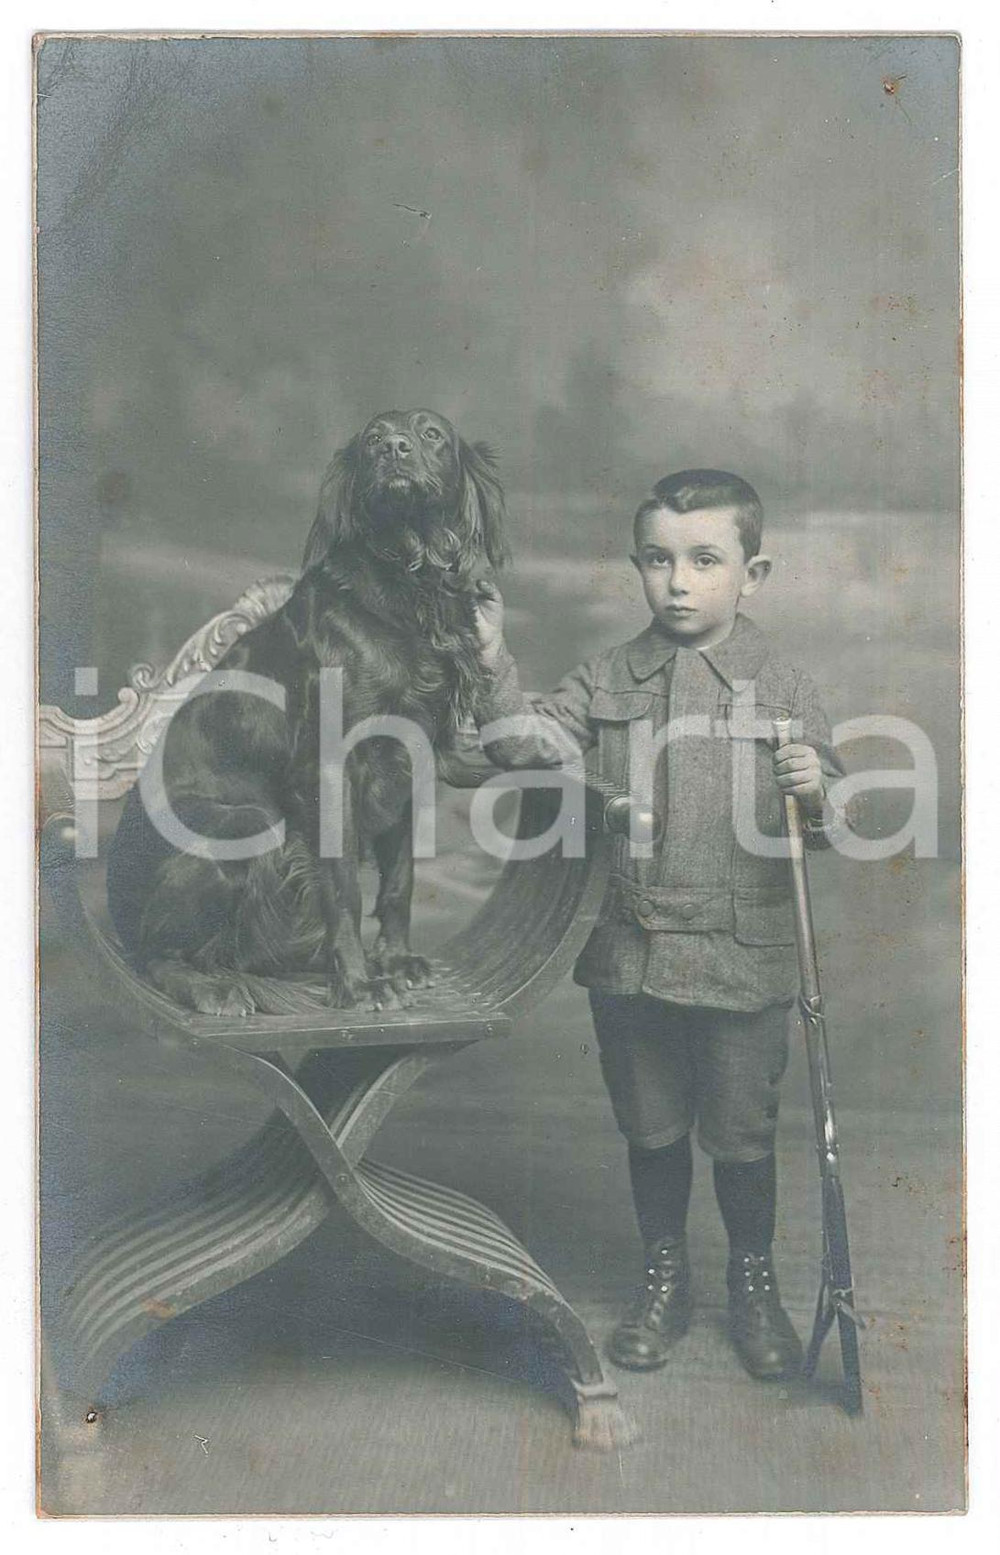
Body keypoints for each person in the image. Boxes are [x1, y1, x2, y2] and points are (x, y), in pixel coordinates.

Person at [466, 469, 847, 1380]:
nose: (678, 581)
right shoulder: (608, 676)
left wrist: (816, 786)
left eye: (704, 560)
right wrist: (490, 661)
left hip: (743, 957)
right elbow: (523, 744)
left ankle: (754, 1286)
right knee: (651, 1130)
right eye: (658, 559)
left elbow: (828, 819)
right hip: (630, 956)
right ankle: (664, 1279)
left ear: (752, 573)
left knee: (743, 1136)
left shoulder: (783, 681)